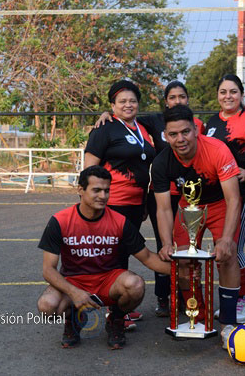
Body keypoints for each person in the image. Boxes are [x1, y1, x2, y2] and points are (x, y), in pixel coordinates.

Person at [94, 81, 204, 317]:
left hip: (187, 197)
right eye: (172, 97)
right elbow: (123, 119)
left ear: (188, 99)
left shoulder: (197, 124)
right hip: (159, 195)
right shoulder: (153, 121)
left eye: (182, 96)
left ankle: (188, 298)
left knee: (188, 246)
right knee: (163, 247)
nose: (177, 101)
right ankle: (161, 299)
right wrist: (106, 114)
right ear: (166, 102)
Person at [36, 166, 170, 350]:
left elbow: (148, 258)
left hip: (108, 280)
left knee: (136, 285)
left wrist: (180, 271)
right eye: (96, 190)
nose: (103, 196)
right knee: (47, 306)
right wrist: (74, 293)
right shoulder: (60, 221)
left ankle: (116, 318)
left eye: (107, 190)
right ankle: (73, 318)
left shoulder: (119, 221)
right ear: (80, 190)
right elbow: (48, 270)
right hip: (74, 280)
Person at [151, 104, 241, 349]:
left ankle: (229, 323)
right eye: (173, 134)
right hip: (188, 206)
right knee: (182, 259)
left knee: (227, 255)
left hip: (220, 203)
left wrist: (227, 239)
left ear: (196, 130)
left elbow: (234, 199)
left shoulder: (217, 150)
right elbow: (163, 208)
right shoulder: (161, 162)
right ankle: (198, 318)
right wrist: (166, 243)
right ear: (165, 136)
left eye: (185, 132)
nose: (180, 139)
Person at [84, 79, 156, 325]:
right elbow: (89, 169)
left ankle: (120, 305)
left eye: (132, 100)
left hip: (135, 204)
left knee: (122, 253)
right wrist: (91, 202)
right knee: (112, 256)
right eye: (122, 101)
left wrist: (144, 202)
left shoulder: (142, 128)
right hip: (112, 203)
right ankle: (112, 310)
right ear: (112, 105)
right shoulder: (104, 128)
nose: (128, 105)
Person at [205, 74, 245, 323]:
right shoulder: (212, 122)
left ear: (242, 94)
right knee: (222, 248)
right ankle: (229, 298)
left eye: (233, 91)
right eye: (223, 92)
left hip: (243, 196)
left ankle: (241, 300)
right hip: (218, 198)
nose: (228, 96)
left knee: (234, 248)